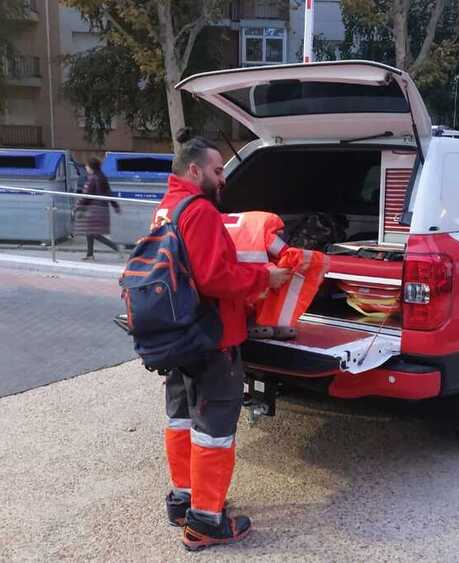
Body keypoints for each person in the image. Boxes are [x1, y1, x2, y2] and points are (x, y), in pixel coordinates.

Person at [155, 129, 291, 551]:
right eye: (217, 171)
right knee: (214, 429)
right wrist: (263, 277)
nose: (223, 179)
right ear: (194, 170)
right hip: (211, 338)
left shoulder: (166, 208)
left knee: (182, 418)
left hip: (178, 335)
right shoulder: (199, 212)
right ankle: (206, 522)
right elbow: (216, 277)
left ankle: (184, 499)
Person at [73, 157, 123, 261]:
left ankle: (116, 247)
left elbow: (87, 196)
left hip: (94, 209)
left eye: (87, 166)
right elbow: (109, 193)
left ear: (91, 167)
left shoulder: (93, 178)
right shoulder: (102, 176)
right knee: (89, 231)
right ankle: (90, 254)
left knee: (94, 233)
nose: (86, 167)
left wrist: (78, 207)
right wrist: (115, 206)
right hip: (101, 207)